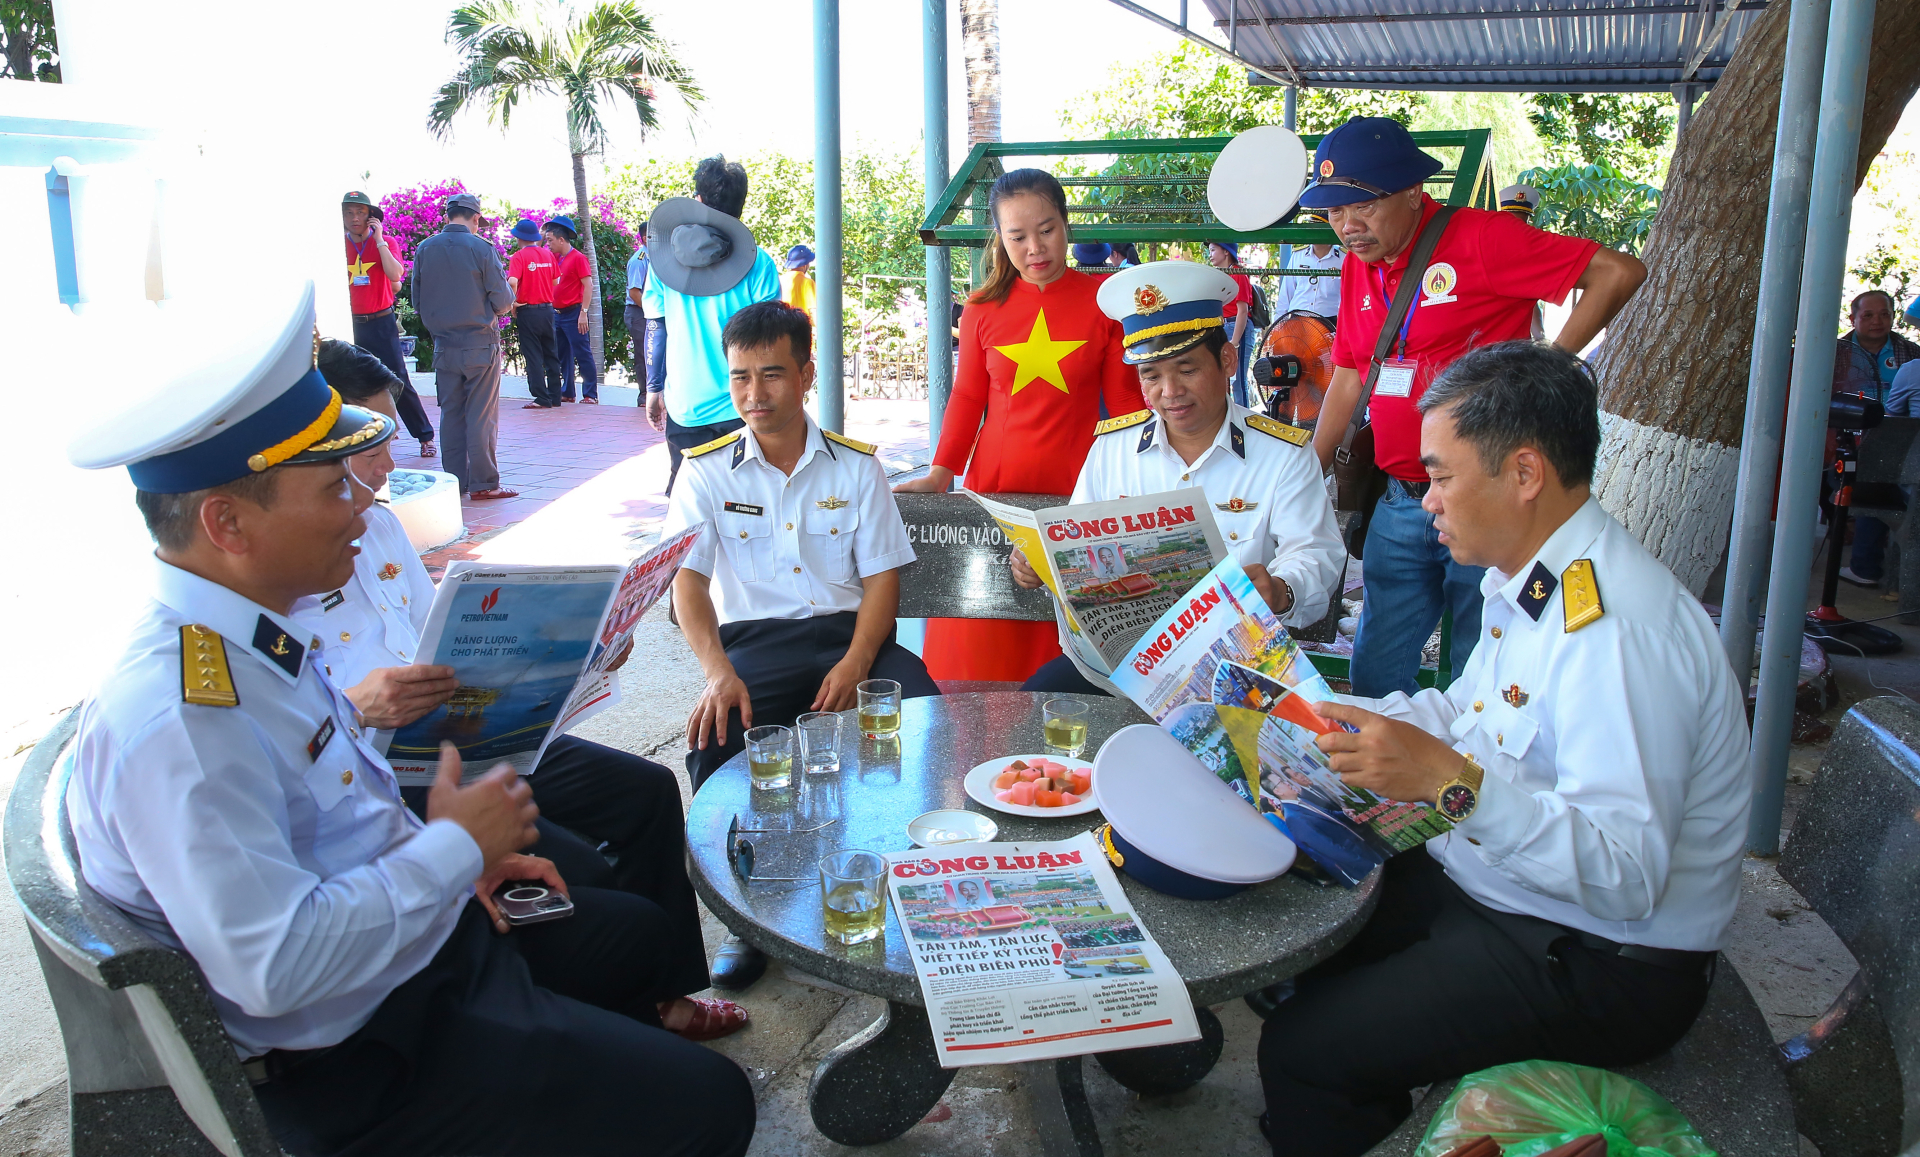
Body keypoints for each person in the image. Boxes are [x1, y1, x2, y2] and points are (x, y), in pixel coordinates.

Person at [64, 287, 755, 1157]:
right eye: (330, 489)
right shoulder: (185, 718)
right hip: (358, 1056)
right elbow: (276, 969)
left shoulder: (248, 637)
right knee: (709, 1105)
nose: (362, 506)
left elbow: (328, 825)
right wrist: (452, 851)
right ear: (227, 522)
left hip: (406, 965)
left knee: (640, 937)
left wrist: (451, 861)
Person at [1253, 340, 1748, 1156]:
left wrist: (1453, 785)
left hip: (1602, 962)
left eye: (1442, 476)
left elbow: (1625, 877)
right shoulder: (1540, 576)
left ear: (1524, 473)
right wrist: (1319, 710)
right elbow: (1463, 711)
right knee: (1305, 909)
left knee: (1303, 1052)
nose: (1426, 499)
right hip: (1509, 892)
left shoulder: (1614, 633)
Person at [296, 338, 745, 1039]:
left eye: (387, 435)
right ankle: (616, 1000)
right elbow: (285, 737)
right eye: (367, 443)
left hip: (472, 729)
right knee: (580, 868)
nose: (389, 459)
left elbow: (437, 639)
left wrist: (579, 661)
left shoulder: (380, 527)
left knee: (647, 793)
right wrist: (355, 710)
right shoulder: (277, 575)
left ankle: (668, 992)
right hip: (394, 768)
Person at [1305, 116, 1646, 698]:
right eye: (1333, 212)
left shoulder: (1482, 238)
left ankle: (1468, 785)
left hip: (1486, 498)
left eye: (1362, 206)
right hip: (1399, 499)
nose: (1348, 226)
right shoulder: (1359, 263)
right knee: (1375, 674)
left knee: (1480, 668)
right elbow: (1348, 372)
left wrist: (1544, 371)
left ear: (1414, 191)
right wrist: (1307, 468)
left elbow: (1618, 272)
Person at [664, 300, 940, 988]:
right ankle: (745, 908)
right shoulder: (705, 471)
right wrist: (716, 671)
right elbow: (688, 586)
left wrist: (855, 660)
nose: (755, 395)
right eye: (740, 378)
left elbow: (881, 583)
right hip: (756, 644)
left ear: (807, 373)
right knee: (718, 731)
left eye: (773, 375)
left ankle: (920, 883)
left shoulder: (855, 468)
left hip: (854, 639)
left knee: (928, 711)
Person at [1013, 260, 1344, 694]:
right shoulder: (1112, 450)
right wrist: (1039, 561)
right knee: (1032, 707)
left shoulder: (1282, 455)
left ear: (1227, 360)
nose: (1169, 393)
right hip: (1124, 665)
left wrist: (1281, 588)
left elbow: (1315, 554)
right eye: (1151, 376)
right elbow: (1073, 546)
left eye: (1187, 370)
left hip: (1232, 668)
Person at [893, 168, 1142, 684]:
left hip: (1076, 496)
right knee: (977, 648)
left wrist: (1130, 488)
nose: (1035, 248)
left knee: (1063, 650)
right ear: (999, 239)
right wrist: (942, 473)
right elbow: (966, 397)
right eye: (1017, 236)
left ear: (1067, 224)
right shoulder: (983, 307)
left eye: (1047, 229)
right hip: (993, 497)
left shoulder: (1106, 303)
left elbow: (1125, 405)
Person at [645, 155, 783, 494]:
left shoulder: (662, 261)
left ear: (698, 201)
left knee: (690, 511)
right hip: (746, 404)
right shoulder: (758, 262)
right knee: (751, 506)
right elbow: (770, 340)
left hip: (686, 406)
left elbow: (655, 330)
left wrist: (653, 388)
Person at [411, 192, 518, 500]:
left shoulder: (424, 249)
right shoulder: (481, 248)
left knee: (451, 414)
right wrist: (509, 292)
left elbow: (418, 302)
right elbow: (501, 302)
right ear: (474, 219)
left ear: (448, 216)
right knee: (481, 416)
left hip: (444, 346)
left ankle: (454, 482)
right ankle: (484, 483)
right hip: (479, 345)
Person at [1831, 290, 1920, 587]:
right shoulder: (1834, 353)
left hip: (1894, 447)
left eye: (1884, 314)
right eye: (1867, 315)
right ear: (1852, 318)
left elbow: (1896, 415)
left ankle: (1865, 563)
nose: (1877, 321)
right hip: (1839, 439)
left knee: (1874, 478)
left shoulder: (1910, 355)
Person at [342, 191, 435, 458]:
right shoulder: (338, 246)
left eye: (360, 212)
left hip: (380, 321)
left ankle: (424, 436)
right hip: (352, 324)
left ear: (370, 216)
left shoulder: (387, 242)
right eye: (349, 213)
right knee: (352, 382)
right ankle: (363, 439)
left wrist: (379, 239)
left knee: (398, 379)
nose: (354, 218)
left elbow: (395, 274)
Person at [505, 218, 563, 410]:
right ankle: (555, 396)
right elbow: (556, 281)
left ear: (519, 238)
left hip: (528, 311)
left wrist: (513, 302)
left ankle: (541, 397)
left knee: (533, 355)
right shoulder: (547, 255)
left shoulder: (518, 257)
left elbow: (513, 280)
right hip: (547, 310)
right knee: (551, 354)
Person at [545, 216, 598, 404]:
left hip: (574, 313)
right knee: (563, 354)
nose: (548, 244)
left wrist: (583, 313)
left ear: (561, 239)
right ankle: (568, 391)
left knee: (582, 352)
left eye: (550, 240)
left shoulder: (578, 258)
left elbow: (588, 285)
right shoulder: (554, 258)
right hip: (557, 313)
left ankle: (590, 394)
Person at [625, 224, 667, 429]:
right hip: (640, 312)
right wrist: (653, 311)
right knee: (646, 355)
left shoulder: (661, 260)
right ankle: (645, 395)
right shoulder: (640, 260)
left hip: (651, 313)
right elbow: (634, 292)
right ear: (645, 238)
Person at [1208, 241, 1258, 407]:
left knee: (1238, 380)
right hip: (1222, 327)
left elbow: (1242, 311)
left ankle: (1242, 422)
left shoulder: (1238, 274)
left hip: (1237, 327)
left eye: (1213, 250)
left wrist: (1235, 342)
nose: (1210, 255)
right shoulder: (1218, 275)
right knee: (1222, 377)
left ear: (1226, 252)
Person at [1273, 238, 1343, 322]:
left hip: (1328, 321)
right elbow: (1287, 292)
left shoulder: (1343, 257)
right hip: (1297, 319)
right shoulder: (1298, 255)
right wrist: (1278, 322)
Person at [781, 244, 817, 318]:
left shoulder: (779, 280)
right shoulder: (807, 283)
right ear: (805, 265)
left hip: (781, 326)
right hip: (801, 327)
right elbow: (813, 312)